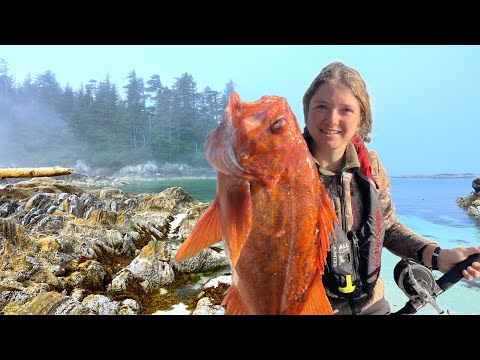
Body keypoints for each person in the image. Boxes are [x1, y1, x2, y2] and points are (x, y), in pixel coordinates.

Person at [302, 61, 480, 315]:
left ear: (361, 117)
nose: (332, 119)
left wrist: (438, 255)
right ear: (306, 109)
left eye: (346, 110)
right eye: (321, 106)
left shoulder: (370, 165)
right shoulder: (282, 171)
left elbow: (387, 226)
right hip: (309, 308)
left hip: (371, 305)